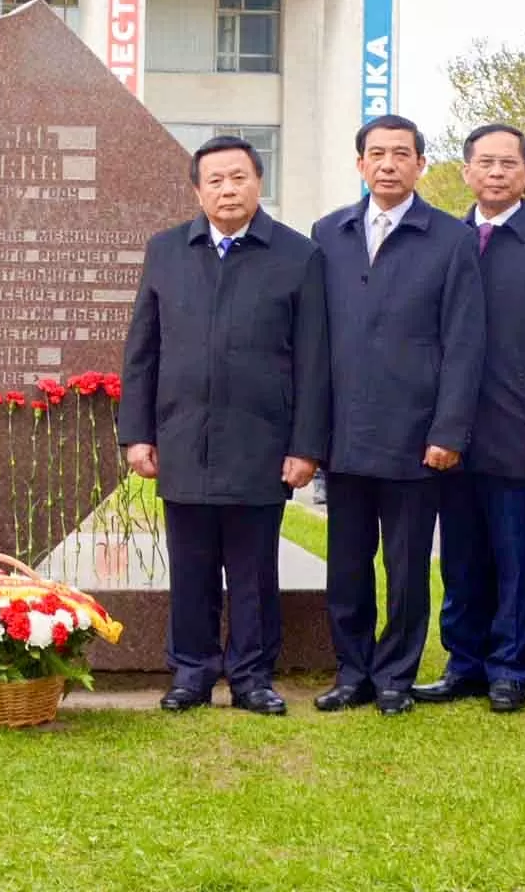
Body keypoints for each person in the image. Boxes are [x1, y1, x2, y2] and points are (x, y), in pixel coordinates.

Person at [121, 136, 329, 716]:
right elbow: (143, 350)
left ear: (258, 182)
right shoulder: (166, 251)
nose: (227, 189)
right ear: (197, 189)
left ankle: (252, 676)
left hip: (262, 443)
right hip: (183, 438)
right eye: (214, 180)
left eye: (238, 177)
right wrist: (137, 433)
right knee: (189, 568)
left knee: (254, 570)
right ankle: (190, 672)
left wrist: (305, 445)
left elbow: (314, 362)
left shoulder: (297, 256)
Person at [309, 114, 484, 716]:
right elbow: (313, 339)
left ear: (420, 165)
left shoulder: (450, 239)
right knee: (347, 564)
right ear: (359, 164)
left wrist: (448, 430)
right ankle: (352, 671)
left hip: (416, 435)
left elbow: (465, 343)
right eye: (376, 153)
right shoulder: (328, 232)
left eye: (401, 154)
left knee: (407, 567)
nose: (388, 163)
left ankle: (395, 676)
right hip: (344, 433)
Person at [417, 123, 525, 714]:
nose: (496, 173)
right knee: (460, 558)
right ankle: (462, 664)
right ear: (466, 171)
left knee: (517, 559)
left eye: (509, 164)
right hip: (449, 432)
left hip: (520, 430)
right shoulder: (442, 239)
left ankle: (509, 668)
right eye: (484, 162)